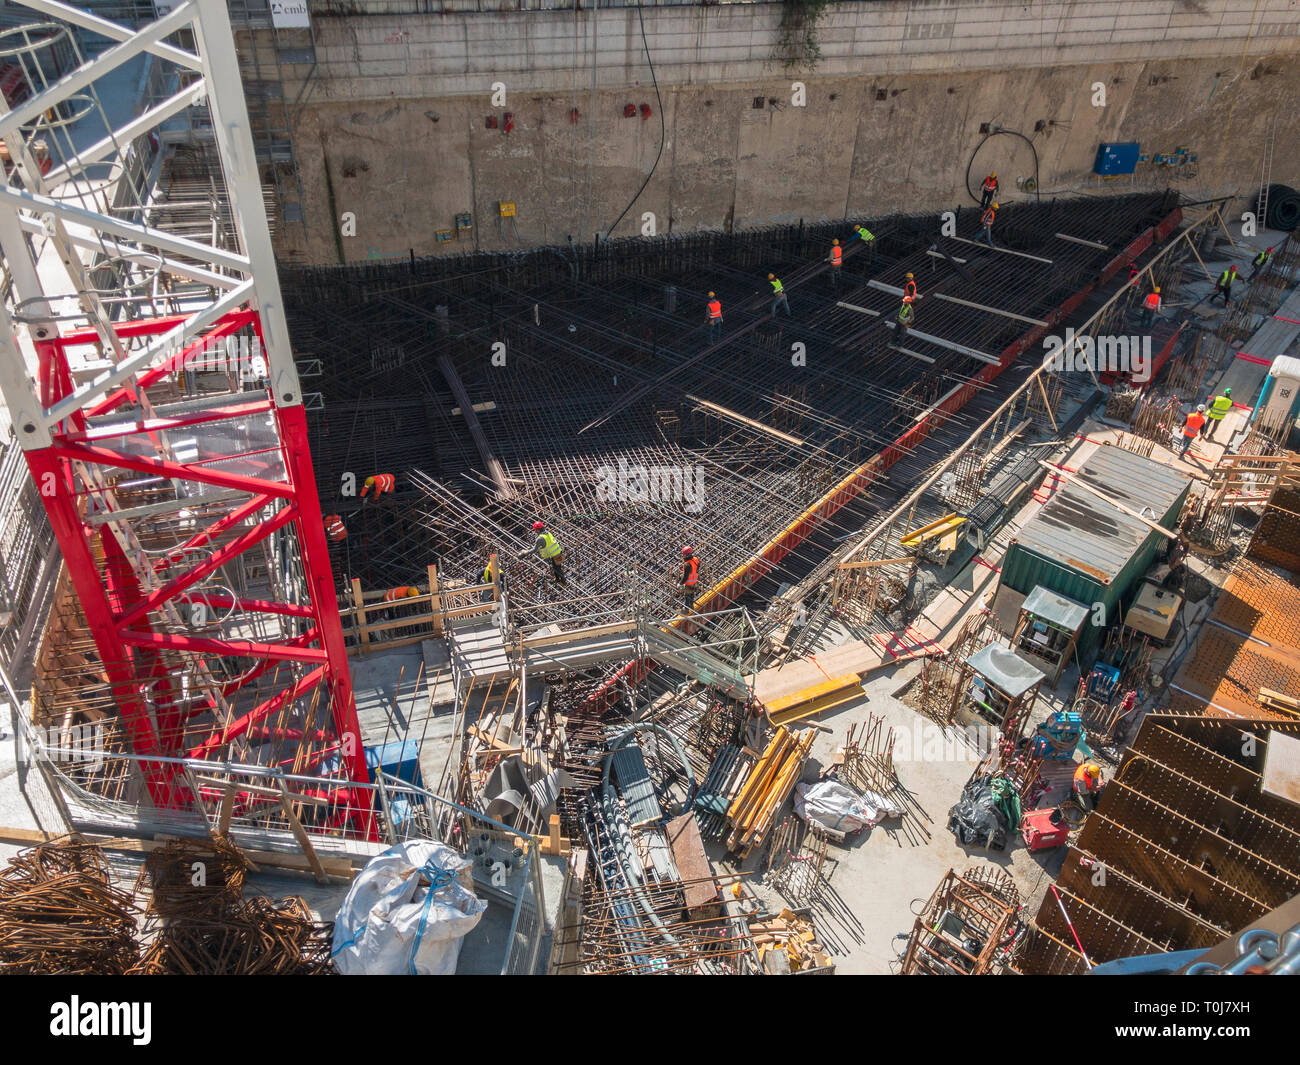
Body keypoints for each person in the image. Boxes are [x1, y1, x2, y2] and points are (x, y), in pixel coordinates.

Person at [521, 520, 565, 585]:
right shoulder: (548, 533)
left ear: (538, 530)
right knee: (556, 568)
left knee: (557, 569)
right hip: (558, 552)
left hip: (554, 555)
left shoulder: (540, 538)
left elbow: (534, 550)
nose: (535, 531)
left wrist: (525, 553)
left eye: (535, 530)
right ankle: (558, 579)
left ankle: (563, 582)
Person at [680, 545, 700, 612]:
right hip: (694, 581)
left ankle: (686, 610)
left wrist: (680, 583)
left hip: (688, 583)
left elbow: (685, 577)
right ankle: (691, 606)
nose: (683, 556)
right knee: (691, 594)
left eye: (684, 554)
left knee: (687, 596)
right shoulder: (695, 559)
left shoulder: (687, 564)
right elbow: (697, 568)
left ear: (687, 555)